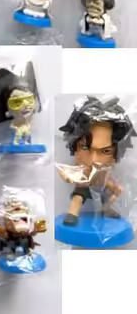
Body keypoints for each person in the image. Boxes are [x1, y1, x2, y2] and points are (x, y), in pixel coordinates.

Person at [59, 96, 134, 226]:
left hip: (102, 187)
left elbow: (110, 182)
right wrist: (68, 176)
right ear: (73, 144)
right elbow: (65, 171)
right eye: (84, 147)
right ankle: (72, 214)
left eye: (105, 151)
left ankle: (106, 209)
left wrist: (115, 188)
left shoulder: (106, 171)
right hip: (84, 186)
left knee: (114, 193)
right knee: (78, 198)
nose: (93, 160)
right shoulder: (81, 169)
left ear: (117, 152)